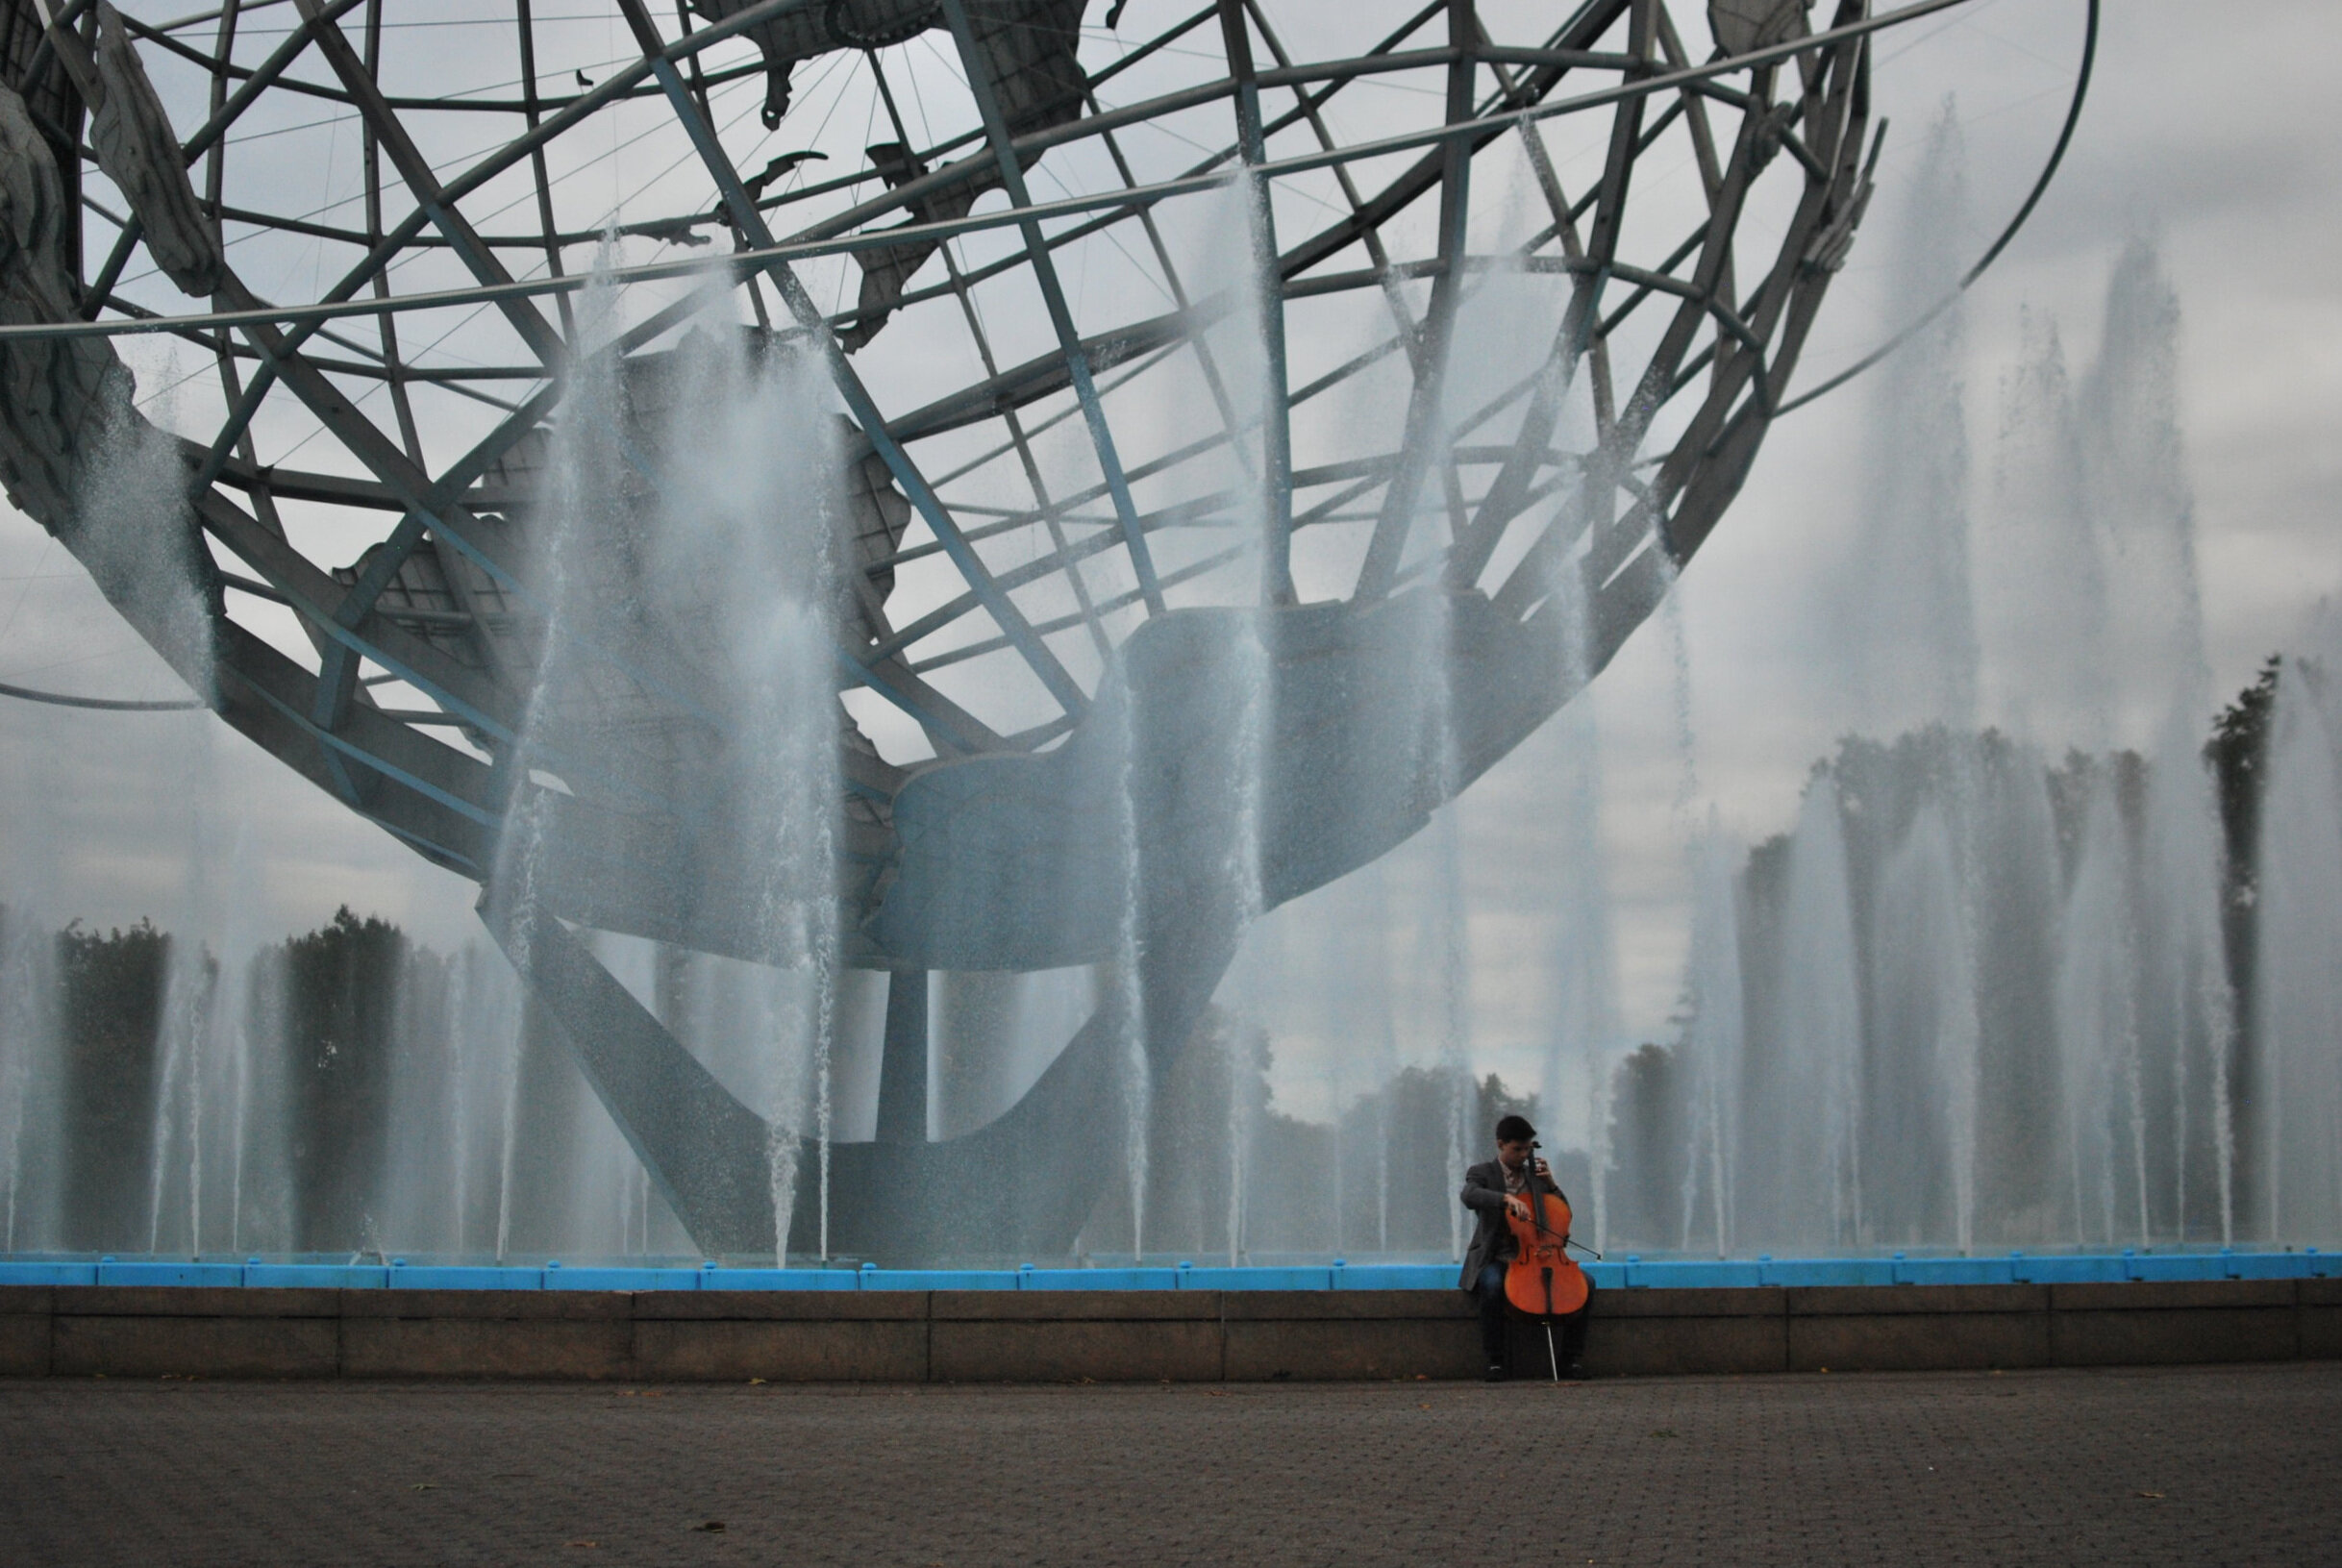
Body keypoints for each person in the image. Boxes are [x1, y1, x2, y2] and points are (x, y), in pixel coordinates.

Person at [1458, 1113, 1594, 1381]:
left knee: (1586, 1284)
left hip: (1541, 1254)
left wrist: (1552, 1185)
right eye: (1516, 1149)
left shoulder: (1537, 1175)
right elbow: (1469, 1195)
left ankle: (1570, 1359)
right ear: (1501, 1144)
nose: (1523, 1155)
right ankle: (1495, 1360)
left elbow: (1562, 1214)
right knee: (1492, 1286)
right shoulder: (1482, 1172)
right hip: (1497, 1256)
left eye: (1527, 1149)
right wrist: (1505, 1199)